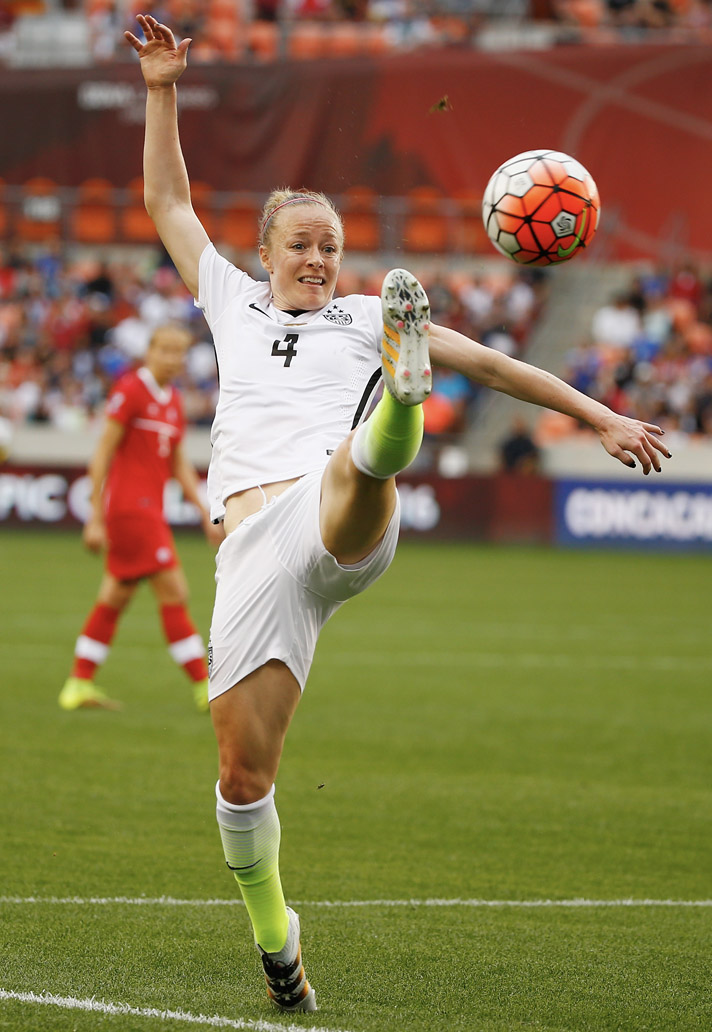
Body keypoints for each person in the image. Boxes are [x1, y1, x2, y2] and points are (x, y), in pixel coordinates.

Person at [124, 14, 672, 1014]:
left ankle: (400, 407)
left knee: (351, 467)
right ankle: (278, 941)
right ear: (268, 251)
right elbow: (166, 198)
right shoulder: (228, 299)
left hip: (335, 514)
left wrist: (598, 415)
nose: (321, 258)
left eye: (332, 245)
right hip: (251, 558)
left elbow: (501, 366)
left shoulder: (367, 311)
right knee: (242, 778)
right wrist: (163, 89)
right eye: (304, 244)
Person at [59, 323, 223, 713]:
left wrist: (203, 512)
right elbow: (103, 453)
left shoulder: (173, 400)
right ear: (149, 351)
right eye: (163, 350)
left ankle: (78, 682)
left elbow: (178, 463)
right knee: (175, 592)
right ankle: (204, 687)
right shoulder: (131, 390)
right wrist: (95, 516)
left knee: (114, 596)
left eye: (177, 353)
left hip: (149, 510)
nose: (170, 358)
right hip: (131, 511)